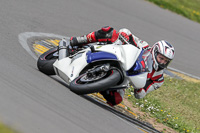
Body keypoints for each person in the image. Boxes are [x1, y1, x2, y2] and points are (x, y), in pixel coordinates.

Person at [69, 26, 175, 106]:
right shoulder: (144, 46)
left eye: (166, 61)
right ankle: (81, 41)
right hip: (118, 55)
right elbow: (126, 32)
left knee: (116, 100)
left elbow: (141, 95)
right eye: (161, 58)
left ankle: (97, 83)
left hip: (124, 78)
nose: (162, 63)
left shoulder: (158, 79)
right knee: (109, 31)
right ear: (154, 52)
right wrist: (125, 35)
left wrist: (140, 89)